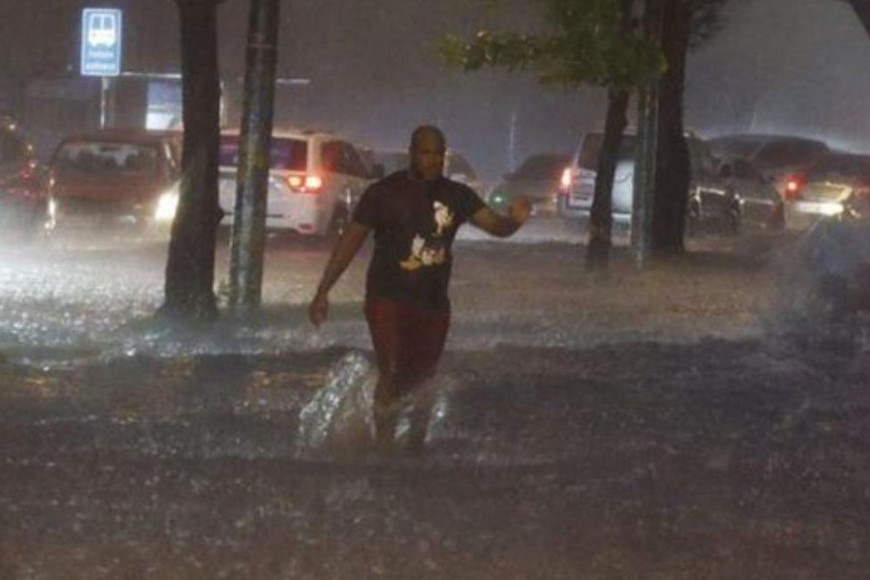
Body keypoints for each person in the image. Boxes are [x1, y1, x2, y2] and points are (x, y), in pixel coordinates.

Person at [308, 125, 531, 451]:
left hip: (432, 302)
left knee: (424, 378)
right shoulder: (384, 193)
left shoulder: (457, 195)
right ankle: (384, 445)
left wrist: (516, 219)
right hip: (387, 296)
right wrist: (323, 291)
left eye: (438, 154)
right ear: (412, 153)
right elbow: (350, 241)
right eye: (426, 153)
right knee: (392, 369)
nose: (432, 160)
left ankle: (415, 445)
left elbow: (496, 227)